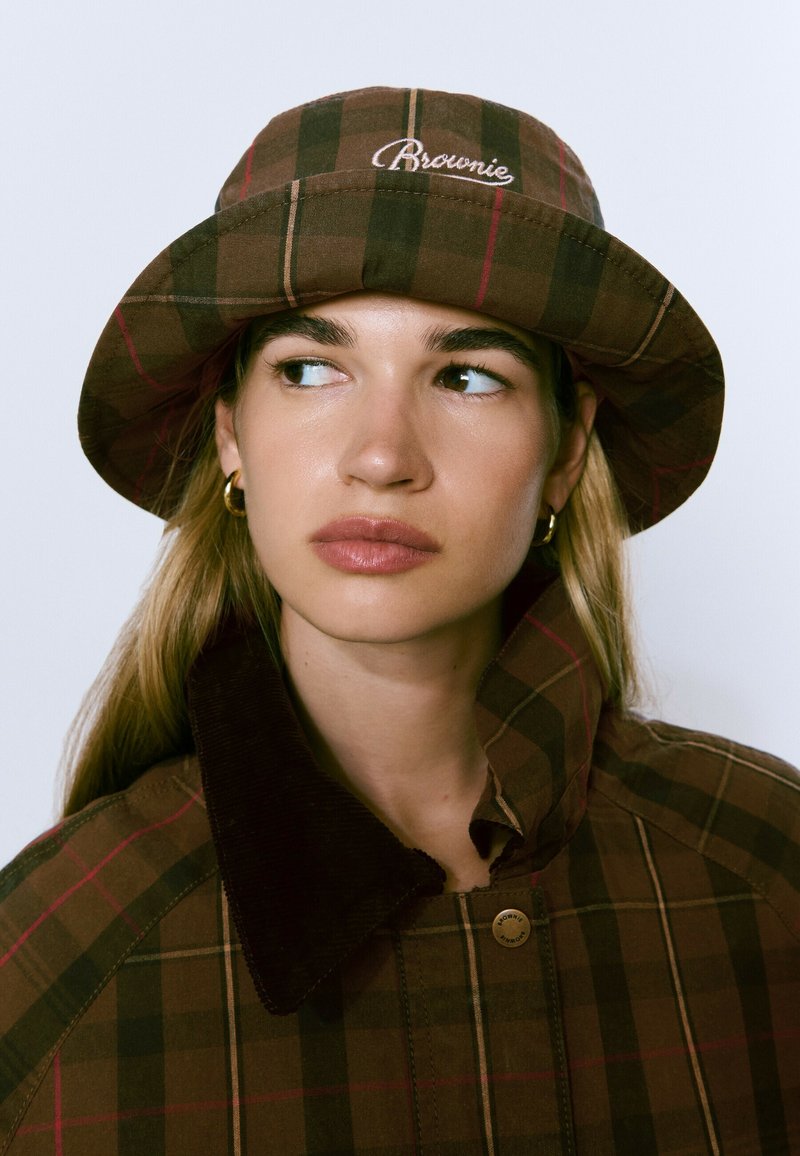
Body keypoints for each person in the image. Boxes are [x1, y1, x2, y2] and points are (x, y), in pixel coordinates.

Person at [1, 86, 797, 1155]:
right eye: (312, 369)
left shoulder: (768, 869)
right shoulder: (51, 961)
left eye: (465, 376)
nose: (382, 454)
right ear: (232, 433)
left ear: (564, 450)